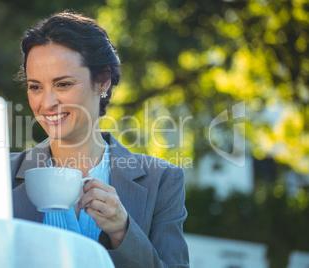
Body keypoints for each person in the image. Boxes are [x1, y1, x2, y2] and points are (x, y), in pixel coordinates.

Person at [11, 11, 189, 268]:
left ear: (103, 81)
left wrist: (122, 230)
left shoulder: (161, 181)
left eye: (63, 84)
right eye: (35, 86)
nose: (46, 103)